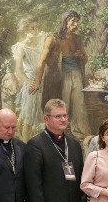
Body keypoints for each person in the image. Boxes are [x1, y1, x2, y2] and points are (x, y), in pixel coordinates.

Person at [32, 10, 90, 139]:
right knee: (63, 105)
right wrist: (37, 81)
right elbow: (41, 61)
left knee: (79, 106)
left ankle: (81, 135)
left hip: (76, 75)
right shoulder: (52, 39)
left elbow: (85, 59)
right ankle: (59, 134)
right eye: (73, 21)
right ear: (65, 21)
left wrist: (82, 56)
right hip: (60, 77)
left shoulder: (77, 39)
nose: (75, 24)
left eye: (77, 22)